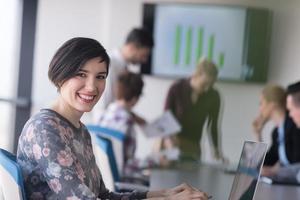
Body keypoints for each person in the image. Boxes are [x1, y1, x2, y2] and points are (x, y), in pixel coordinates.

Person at [17, 37, 208, 200]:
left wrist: (166, 194)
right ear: (60, 76)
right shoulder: (44, 130)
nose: (92, 87)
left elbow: (104, 195)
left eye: (100, 76)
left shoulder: (80, 130)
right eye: (81, 74)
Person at [98, 71, 169, 176]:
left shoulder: (107, 112)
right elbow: (127, 164)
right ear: (135, 98)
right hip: (124, 179)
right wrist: (155, 161)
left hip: (105, 177)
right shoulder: (127, 121)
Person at [163, 57, 222, 161]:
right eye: (204, 84)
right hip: (171, 143)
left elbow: (212, 127)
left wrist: (216, 151)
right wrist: (169, 141)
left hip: (193, 147)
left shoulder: (214, 95)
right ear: (196, 75)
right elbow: (166, 119)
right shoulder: (176, 88)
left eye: (211, 84)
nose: (207, 88)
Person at [99, 27, 154, 110]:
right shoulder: (109, 65)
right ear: (132, 47)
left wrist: (133, 116)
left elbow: (117, 104)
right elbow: (103, 106)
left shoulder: (122, 67)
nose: (145, 60)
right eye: (143, 55)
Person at [252, 84, 300, 177]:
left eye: (261, 103)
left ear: (272, 105)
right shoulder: (276, 132)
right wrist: (257, 135)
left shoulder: (296, 127)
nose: (260, 108)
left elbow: (297, 165)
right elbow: (266, 163)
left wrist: (276, 171)